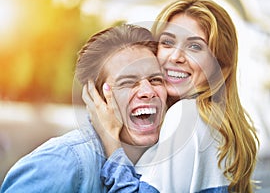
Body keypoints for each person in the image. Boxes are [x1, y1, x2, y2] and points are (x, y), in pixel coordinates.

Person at [84, 0, 259, 193]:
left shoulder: (187, 116)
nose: (175, 57)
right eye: (167, 43)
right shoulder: (219, 126)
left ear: (221, 66)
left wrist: (111, 143)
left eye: (195, 46)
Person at [0, 24, 168, 192]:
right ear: (97, 96)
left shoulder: (166, 161)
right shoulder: (62, 161)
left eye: (155, 80)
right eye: (128, 82)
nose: (148, 91)